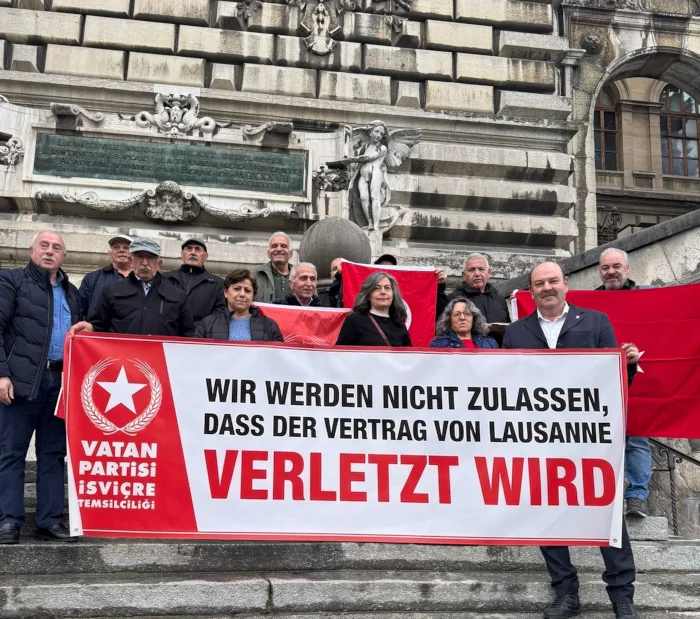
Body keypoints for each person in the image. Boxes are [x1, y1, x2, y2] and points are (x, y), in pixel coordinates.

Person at [503, 262, 641, 619]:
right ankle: (565, 592)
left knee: (606, 516)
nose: (546, 288)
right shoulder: (515, 332)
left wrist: (626, 365)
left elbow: (613, 381)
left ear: (566, 284)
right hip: (538, 441)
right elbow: (504, 387)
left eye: (553, 281)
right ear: (531, 291)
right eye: (539, 283)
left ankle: (622, 597)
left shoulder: (596, 322)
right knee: (547, 514)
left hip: (591, 442)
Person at [0, 231, 82, 543]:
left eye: (56, 248)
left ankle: (50, 521)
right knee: (11, 452)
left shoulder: (72, 292)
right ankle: (8, 521)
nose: (49, 252)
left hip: (60, 383)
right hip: (20, 381)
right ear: (32, 250)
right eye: (44, 246)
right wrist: (1, 375)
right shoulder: (12, 281)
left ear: (64, 256)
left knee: (53, 453)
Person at [597, 247, 651, 518]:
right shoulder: (589, 303)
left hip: (637, 379)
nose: (611, 272)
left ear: (627, 269)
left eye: (616, 266)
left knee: (637, 437)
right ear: (599, 271)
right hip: (600, 384)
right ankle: (600, 494)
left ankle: (637, 497)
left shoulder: (645, 298)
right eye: (605, 268)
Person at [69, 238, 194, 337]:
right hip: (121, 359)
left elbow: (187, 336)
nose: (145, 263)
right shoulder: (111, 291)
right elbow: (99, 326)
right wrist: (90, 328)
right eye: (139, 257)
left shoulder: (178, 296)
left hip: (160, 360)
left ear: (159, 264)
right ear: (131, 261)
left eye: (150, 257)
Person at [195, 269, 283, 342]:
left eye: (247, 291)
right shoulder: (206, 324)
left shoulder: (269, 326)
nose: (242, 294)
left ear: (253, 295)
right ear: (226, 292)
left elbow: (277, 356)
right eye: (237, 289)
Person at [447, 253, 510, 344]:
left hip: (499, 350)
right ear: (464, 275)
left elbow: (509, 331)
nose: (477, 274)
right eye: (472, 270)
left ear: (489, 272)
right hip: (468, 350)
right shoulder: (453, 299)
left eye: (481, 269)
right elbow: (445, 330)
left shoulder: (500, 299)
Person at [336, 271, 411, 347]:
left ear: (393, 294)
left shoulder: (399, 324)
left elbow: (409, 353)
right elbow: (341, 352)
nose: (383, 292)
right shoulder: (354, 321)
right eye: (377, 288)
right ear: (368, 295)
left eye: (387, 288)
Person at [163, 238, 225, 324]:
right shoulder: (165, 279)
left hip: (202, 331)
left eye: (197, 249)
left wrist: (200, 328)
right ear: (182, 254)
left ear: (205, 256)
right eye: (189, 248)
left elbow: (220, 312)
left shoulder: (218, 284)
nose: (193, 252)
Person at [79, 234, 132, 318]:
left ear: (133, 254)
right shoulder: (92, 278)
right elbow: (79, 309)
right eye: (116, 247)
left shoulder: (142, 279)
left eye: (126, 248)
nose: (121, 250)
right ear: (110, 253)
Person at [429, 299, 498, 349]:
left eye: (467, 314)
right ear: (449, 320)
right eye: (456, 314)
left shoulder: (490, 343)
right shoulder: (438, 345)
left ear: (474, 319)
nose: (462, 318)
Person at [253, 232, 294, 303]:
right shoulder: (256, 275)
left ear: (291, 254)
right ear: (268, 254)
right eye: (274, 246)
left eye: (283, 246)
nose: (278, 249)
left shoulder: (301, 276)